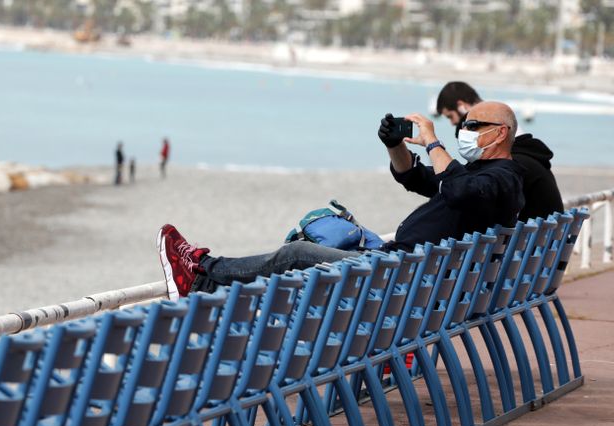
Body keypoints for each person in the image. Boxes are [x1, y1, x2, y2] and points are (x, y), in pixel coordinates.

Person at [156, 102, 524, 301]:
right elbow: (416, 178)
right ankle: (207, 285)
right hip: (419, 275)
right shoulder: (481, 180)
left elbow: (455, 188)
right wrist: (395, 146)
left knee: (296, 254)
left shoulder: (501, 179)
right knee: (319, 246)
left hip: (399, 276)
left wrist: (433, 142)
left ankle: (201, 273)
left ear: (501, 132)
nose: (465, 132)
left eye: (474, 127)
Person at [436, 81, 563, 222]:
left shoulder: (511, 167)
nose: (454, 124)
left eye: (471, 127)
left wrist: (433, 147)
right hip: (546, 238)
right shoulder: (527, 155)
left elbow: (470, 194)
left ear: (462, 106)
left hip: (530, 241)